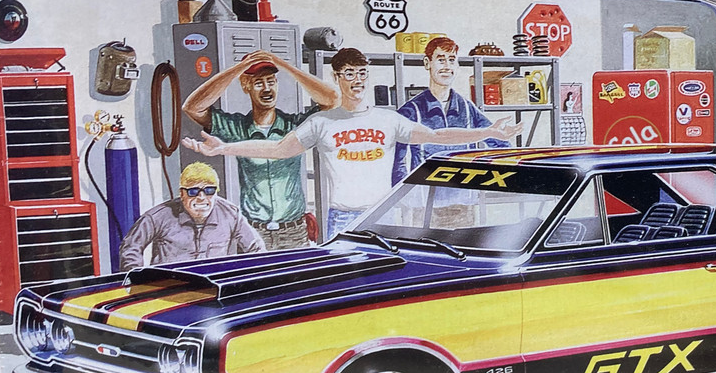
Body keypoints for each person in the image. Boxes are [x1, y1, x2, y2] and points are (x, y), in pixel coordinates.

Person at [184, 48, 521, 240]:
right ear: (337, 77)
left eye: (361, 73)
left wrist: (487, 133)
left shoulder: (388, 119)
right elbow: (277, 150)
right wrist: (223, 148)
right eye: (349, 74)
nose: (357, 81)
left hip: (386, 215)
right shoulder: (321, 122)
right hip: (341, 219)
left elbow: (436, 136)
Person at [182, 49, 338, 250]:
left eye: (271, 81)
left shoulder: (294, 125)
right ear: (246, 86)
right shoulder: (236, 128)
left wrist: (284, 65)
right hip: (253, 233)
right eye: (258, 83)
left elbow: (332, 100)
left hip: (294, 232)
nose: (266, 89)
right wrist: (239, 69)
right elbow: (192, 107)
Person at [392, 36, 506, 184]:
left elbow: (499, 143)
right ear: (427, 63)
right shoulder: (411, 111)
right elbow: (397, 163)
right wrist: (408, 195)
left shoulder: (466, 107)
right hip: (426, 193)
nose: (447, 66)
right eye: (441, 60)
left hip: (464, 194)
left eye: (451, 60)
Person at [119, 162, 264, 269]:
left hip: (214, 288)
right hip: (170, 290)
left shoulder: (231, 214)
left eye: (209, 191)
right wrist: (139, 283)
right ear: (182, 194)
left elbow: (257, 249)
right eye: (193, 192)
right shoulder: (158, 216)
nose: (201, 197)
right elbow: (130, 248)